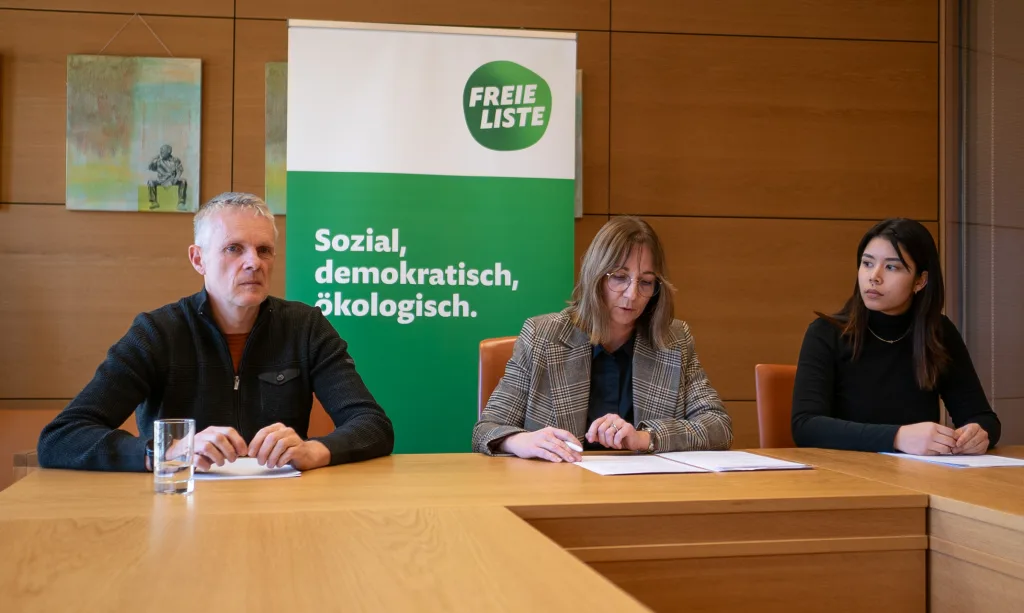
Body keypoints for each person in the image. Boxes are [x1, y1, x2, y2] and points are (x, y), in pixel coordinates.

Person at [38, 192, 394, 472]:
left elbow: (373, 425)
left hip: (278, 508)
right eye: (233, 248)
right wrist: (170, 451)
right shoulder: (158, 332)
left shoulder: (305, 327)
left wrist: (314, 450)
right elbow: (62, 438)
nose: (253, 262)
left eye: (264, 250)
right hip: (178, 510)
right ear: (198, 259)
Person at [472, 216, 733, 462]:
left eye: (645, 282)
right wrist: (523, 441)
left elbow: (718, 426)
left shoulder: (674, 340)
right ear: (595, 277)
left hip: (645, 493)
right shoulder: (542, 336)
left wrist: (644, 438)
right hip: (556, 491)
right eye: (619, 278)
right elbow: (487, 429)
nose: (632, 294)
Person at [792, 218, 1000, 455]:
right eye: (867, 264)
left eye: (892, 267)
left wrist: (978, 433)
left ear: (920, 281)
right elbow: (805, 426)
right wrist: (897, 437)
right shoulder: (825, 333)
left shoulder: (937, 332)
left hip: (918, 477)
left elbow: (982, 417)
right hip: (844, 475)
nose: (874, 276)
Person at [147, 144, 188, 210]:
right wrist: (153, 161)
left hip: (172, 180)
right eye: (160, 151)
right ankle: (153, 202)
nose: (161, 152)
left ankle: (181, 203)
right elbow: (150, 168)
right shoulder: (158, 160)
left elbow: (180, 170)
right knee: (150, 181)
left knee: (183, 181)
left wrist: (176, 178)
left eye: (163, 151)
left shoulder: (175, 160)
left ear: (169, 151)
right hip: (161, 180)